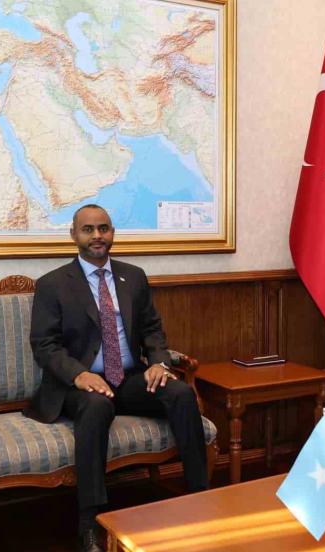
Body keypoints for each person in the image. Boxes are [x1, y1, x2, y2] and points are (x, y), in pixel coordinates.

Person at [23, 204, 208, 552]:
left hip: (129, 378)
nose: (97, 236)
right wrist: (78, 374)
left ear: (112, 232)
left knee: (181, 394)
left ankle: (199, 500)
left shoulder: (133, 276)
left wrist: (159, 363)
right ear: (74, 235)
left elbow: (152, 330)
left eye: (103, 228)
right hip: (81, 384)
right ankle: (90, 522)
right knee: (96, 407)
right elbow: (44, 345)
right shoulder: (53, 284)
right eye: (88, 229)